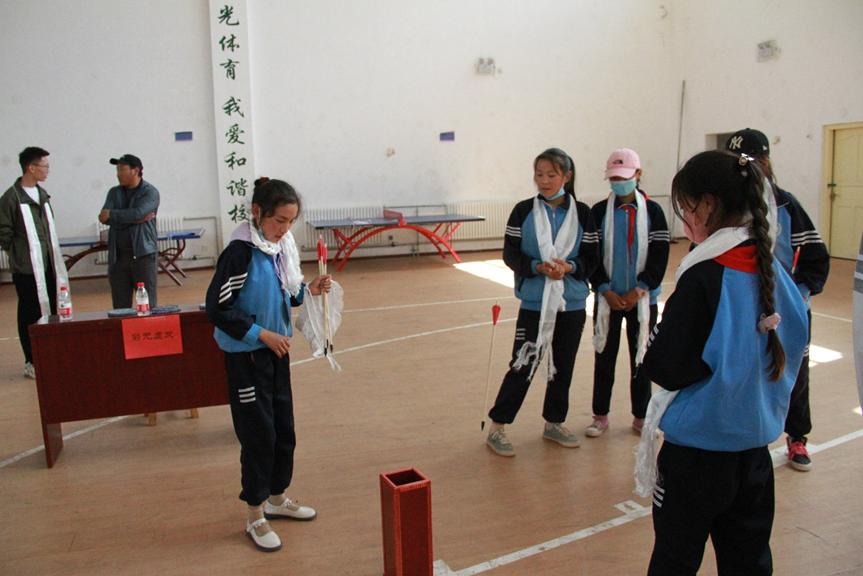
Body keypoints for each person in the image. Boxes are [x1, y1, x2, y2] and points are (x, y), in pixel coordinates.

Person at [640, 150, 808, 575]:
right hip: (753, 453)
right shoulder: (776, 273)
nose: (684, 220)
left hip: (696, 454)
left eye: (686, 208)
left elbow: (665, 365)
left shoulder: (703, 275)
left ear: (707, 205)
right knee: (749, 561)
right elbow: (795, 347)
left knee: (675, 560)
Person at [206, 177, 331, 552]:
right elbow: (217, 308)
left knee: (282, 429)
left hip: (276, 353)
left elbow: (284, 294)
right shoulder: (240, 253)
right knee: (258, 435)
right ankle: (255, 514)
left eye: (291, 222)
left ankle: (276, 498)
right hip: (248, 357)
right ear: (257, 212)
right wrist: (261, 334)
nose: (285, 229)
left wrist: (308, 290)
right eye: (279, 221)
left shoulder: (278, 249)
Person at [726, 128, 830, 472]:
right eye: (736, 162)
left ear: (766, 162)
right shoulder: (725, 209)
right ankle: (742, 436)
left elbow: (815, 259)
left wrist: (796, 298)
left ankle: (797, 436)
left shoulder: (787, 205)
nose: (745, 169)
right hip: (740, 312)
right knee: (740, 372)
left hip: (786, 312)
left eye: (751, 161)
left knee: (795, 374)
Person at [485, 147, 599, 457]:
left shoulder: (583, 213)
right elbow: (511, 254)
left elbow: (591, 257)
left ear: (567, 176)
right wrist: (537, 267)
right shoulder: (523, 211)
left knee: (563, 366)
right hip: (535, 304)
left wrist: (569, 267)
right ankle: (497, 427)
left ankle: (554, 423)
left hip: (571, 304)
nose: (544, 181)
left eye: (551, 175)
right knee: (523, 364)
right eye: (539, 174)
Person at [586, 149, 669, 437]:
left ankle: (641, 416)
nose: (619, 183)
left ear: (638, 175)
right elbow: (592, 255)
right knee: (604, 356)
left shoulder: (654, 212)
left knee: (642, 357)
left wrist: (640, 289)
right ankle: (600, 415)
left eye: (624, 178)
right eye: (614, 179)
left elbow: (660, 255)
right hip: (607, 299)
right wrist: (604, 289)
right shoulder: (598, 212)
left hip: (643, 300)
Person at [0, 147, 69, 379]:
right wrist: (19, 254)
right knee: (29, 313)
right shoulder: (11, 198)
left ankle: (50, 354)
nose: (47, 170)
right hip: (27, 269)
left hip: (49, 266)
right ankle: (31, 360)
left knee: (53, 310)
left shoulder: (43, 195)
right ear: (31, 168)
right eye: (44, 166)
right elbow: (4, 234)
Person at [99, 154, 160, 309]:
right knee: (120, 306)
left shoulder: (150, 192)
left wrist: (114, 215)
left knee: (146, 305)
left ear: (135, 171)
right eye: (117, 170)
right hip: (118, 257)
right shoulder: (114, 192)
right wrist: (134, 219)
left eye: (122, 169)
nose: (118, 174)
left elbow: (137, 213)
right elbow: (103, 218)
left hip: (143, 255)